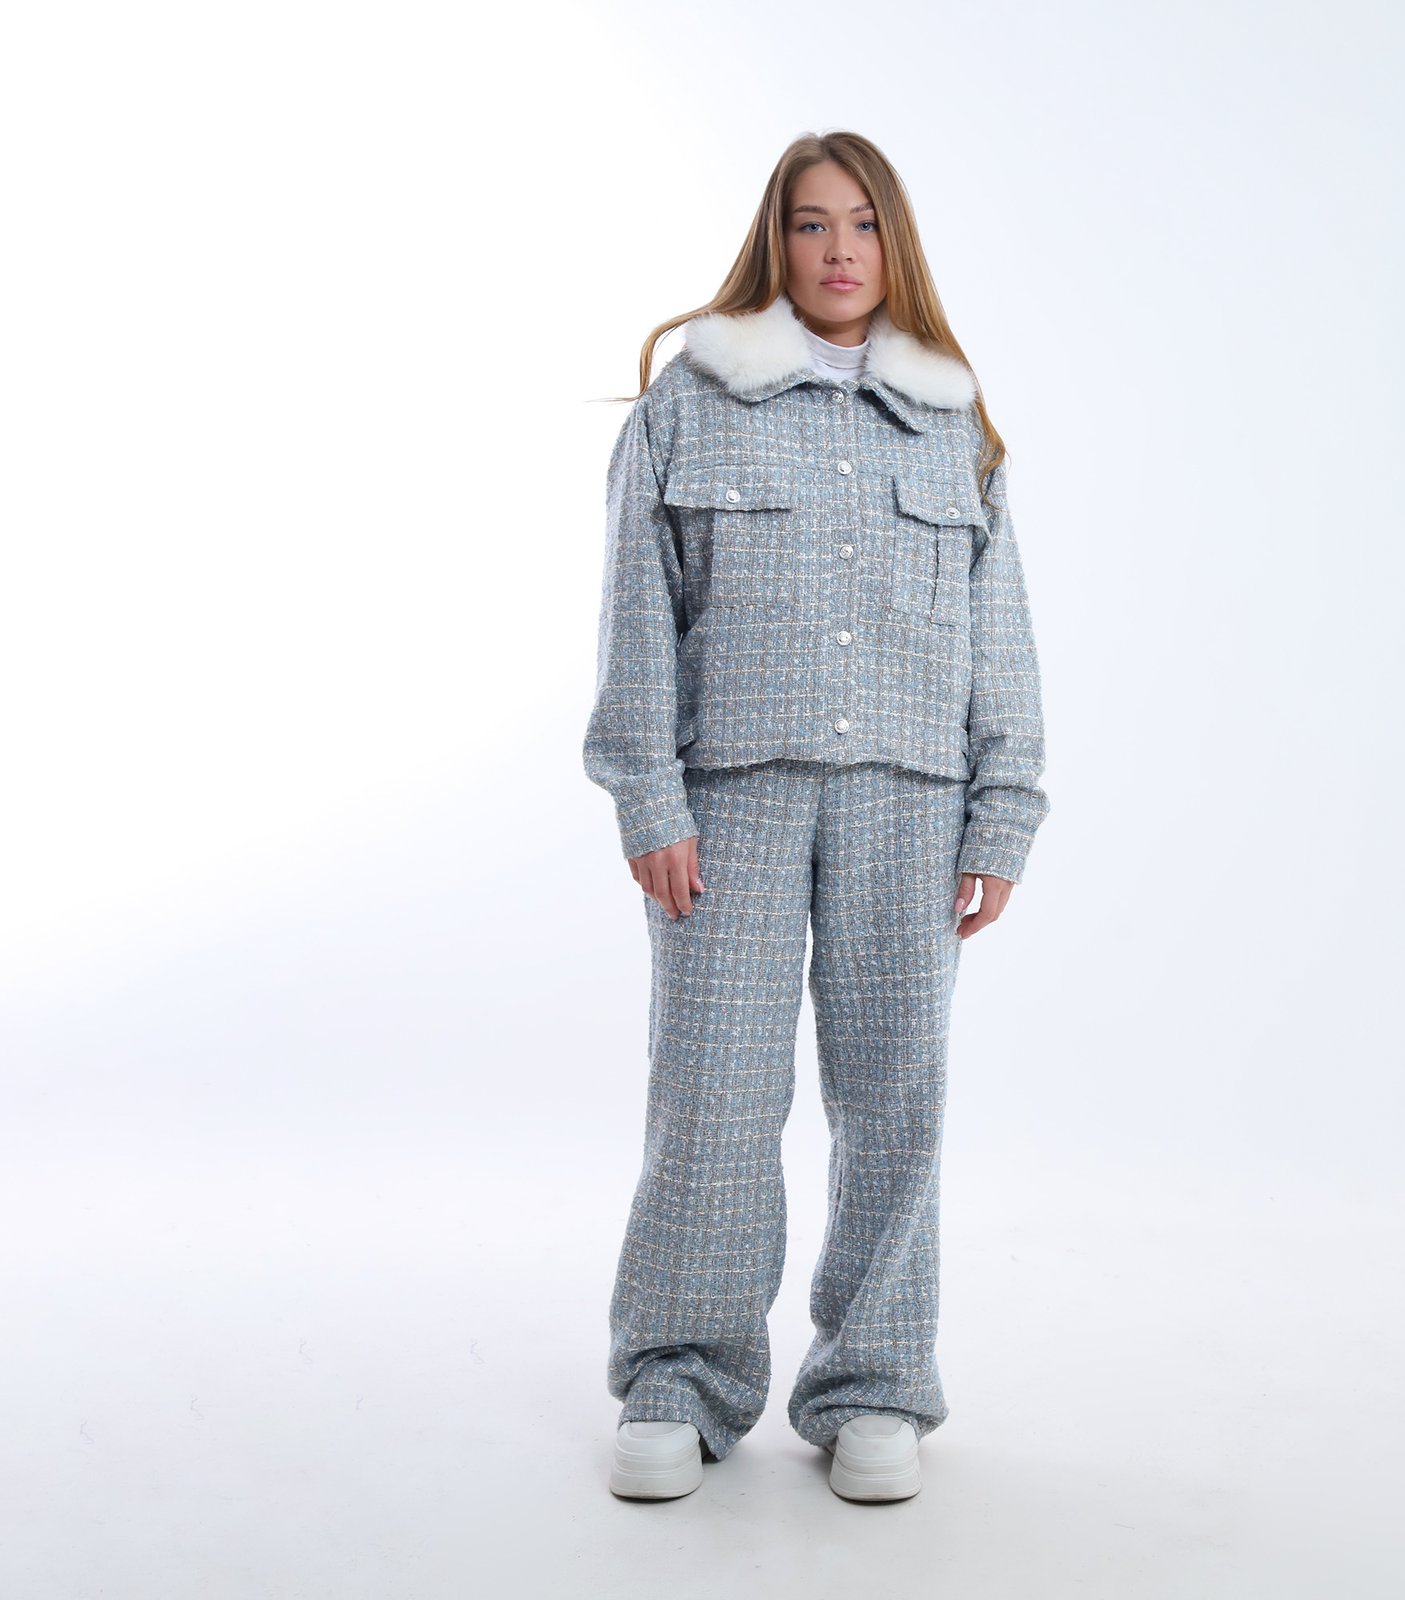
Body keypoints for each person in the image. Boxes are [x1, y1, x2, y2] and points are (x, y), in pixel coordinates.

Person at [583, 130, 1050, 1502]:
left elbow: (1001, 635)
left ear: (895, 245)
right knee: (713, 1096)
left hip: (910, 805)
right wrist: (648, 796)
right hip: (728, 806)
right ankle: (681, 1376)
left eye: (863, 223)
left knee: (896, 1099)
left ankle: (875, 1386)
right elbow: (636, 616)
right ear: (773, 241)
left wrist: (1002, 814)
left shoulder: (954, 424)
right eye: (810, 223)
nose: (839, 249)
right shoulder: (688, 406)